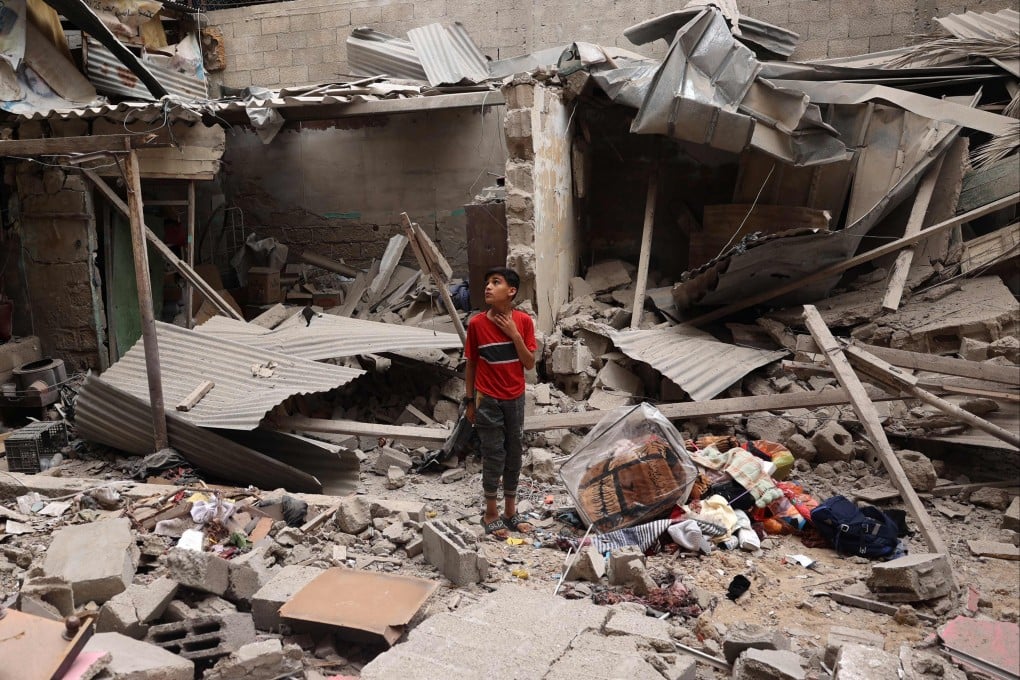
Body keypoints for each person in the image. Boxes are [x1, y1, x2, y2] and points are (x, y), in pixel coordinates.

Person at [464, 267, 537, 538]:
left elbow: (529, 363)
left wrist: (513, 333)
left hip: (515, 398)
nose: (488, 287)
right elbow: (471, 364)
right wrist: (470, 401)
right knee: (493, 453)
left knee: (514, 453)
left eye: (496, 282)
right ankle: (491, 513)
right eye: (487, 283)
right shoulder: (476, 325)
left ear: (512, 291)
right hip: (488, 399)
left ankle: (510, 512)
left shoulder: (524, 321)